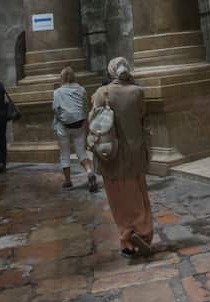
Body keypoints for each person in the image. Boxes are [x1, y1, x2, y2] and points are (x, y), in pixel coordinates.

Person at [90, 56, 154, 257]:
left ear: (111, 71)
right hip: (136, 153)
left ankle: (126, 235)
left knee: (118, 198)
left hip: (112, 154)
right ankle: (143, 232)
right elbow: (143, 115)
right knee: (139, 193)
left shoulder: (102, 93)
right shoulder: (138, 92)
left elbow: (94, 122)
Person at [53, 66, 96, 192]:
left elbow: (55, 109)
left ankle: (68, 182)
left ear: (62, 78)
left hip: (63, 127)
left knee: (65, 154)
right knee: (81, 152)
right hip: (79, 125)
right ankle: (89, 172)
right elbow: (85, 106)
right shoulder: (81, 90)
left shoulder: (57, 92)